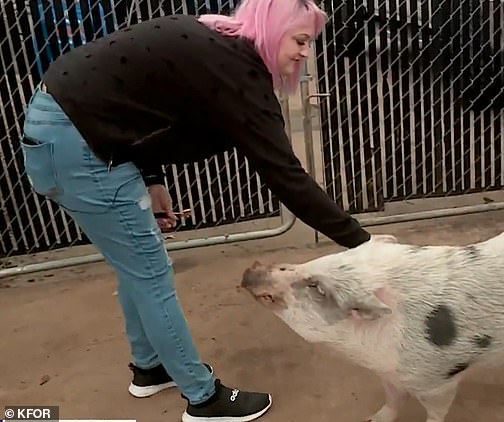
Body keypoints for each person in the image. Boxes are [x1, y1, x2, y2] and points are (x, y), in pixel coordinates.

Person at [19, 0, 378, 421]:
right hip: (78, 145)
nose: (304, 52)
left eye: (309, 43)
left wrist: (151, 178)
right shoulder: (235, 67)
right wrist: (365, 245)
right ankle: (203, 399)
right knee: (150, 273)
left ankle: (150, 368)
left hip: (68, 134)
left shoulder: (217, 45)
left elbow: (133, 92)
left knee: (139, 266)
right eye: (299, 39)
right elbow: (286, 176)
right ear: (272, 27)